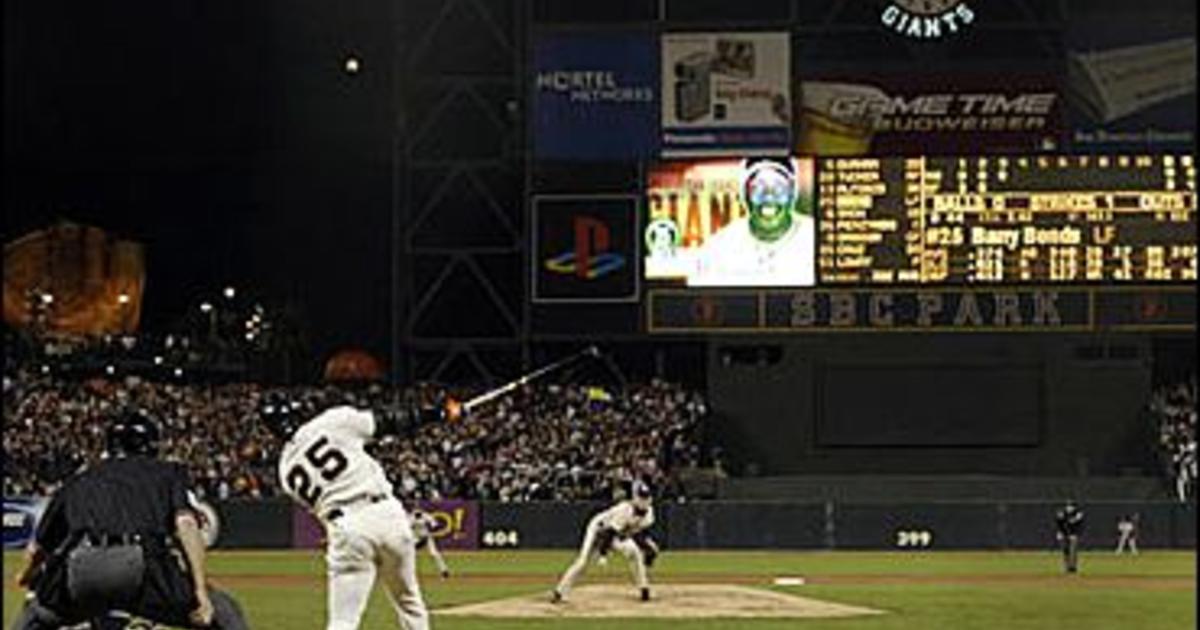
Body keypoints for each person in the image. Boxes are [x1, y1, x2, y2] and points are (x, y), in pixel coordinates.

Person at [10, 410, 249, 630]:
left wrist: (26, 576)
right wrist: (200, 592)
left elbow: (38, 549)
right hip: (139, 566)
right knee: (225, 611)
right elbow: (185, 524)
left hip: (80, 569)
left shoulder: (79, 479)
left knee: (35, 616)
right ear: (152, 445)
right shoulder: (168, 471)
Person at [264, 391, 458, 630]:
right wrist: (437, 413)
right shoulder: (330, 421)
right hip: (385, 513)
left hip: (344, 527)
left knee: (343, 621)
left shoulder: (285, 471)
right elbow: (391, 421)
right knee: (410, 603)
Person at [552, 480, 659, 604]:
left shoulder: (649, 513)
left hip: (617, 534)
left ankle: (644, 589)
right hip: (598, 528)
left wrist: (649, 548)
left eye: (646, 496)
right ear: (635, 497)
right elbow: (609, 533)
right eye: (642, 496)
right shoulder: (624, 510)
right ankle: (559, 591)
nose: (645, 500)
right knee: (582, 562)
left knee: (635, 552)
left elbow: (639, 534)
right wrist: (603, 554)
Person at [408, 509, 450, 579]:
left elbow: (434, 525)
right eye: (417, 514)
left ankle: (444, 571)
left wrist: (433, 527)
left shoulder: (425, 516)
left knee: (434, 554)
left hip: (427, 538)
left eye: (420, 514)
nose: (419, 515)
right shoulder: (410, 518)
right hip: (416, 539)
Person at [1054, 500, 1085, 574]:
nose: (1070, 508)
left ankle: (1073, 567)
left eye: (1071, 506)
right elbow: (1059, 523)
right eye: (1068, 506)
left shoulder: (1077, 514)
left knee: (1073, 550)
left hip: (1073, 534)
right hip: (1063, 534)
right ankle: (1066, 566)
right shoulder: (1062, 513)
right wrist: (1059, 533)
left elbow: (1078, 525)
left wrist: (1076, 534)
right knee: (1065, 550)